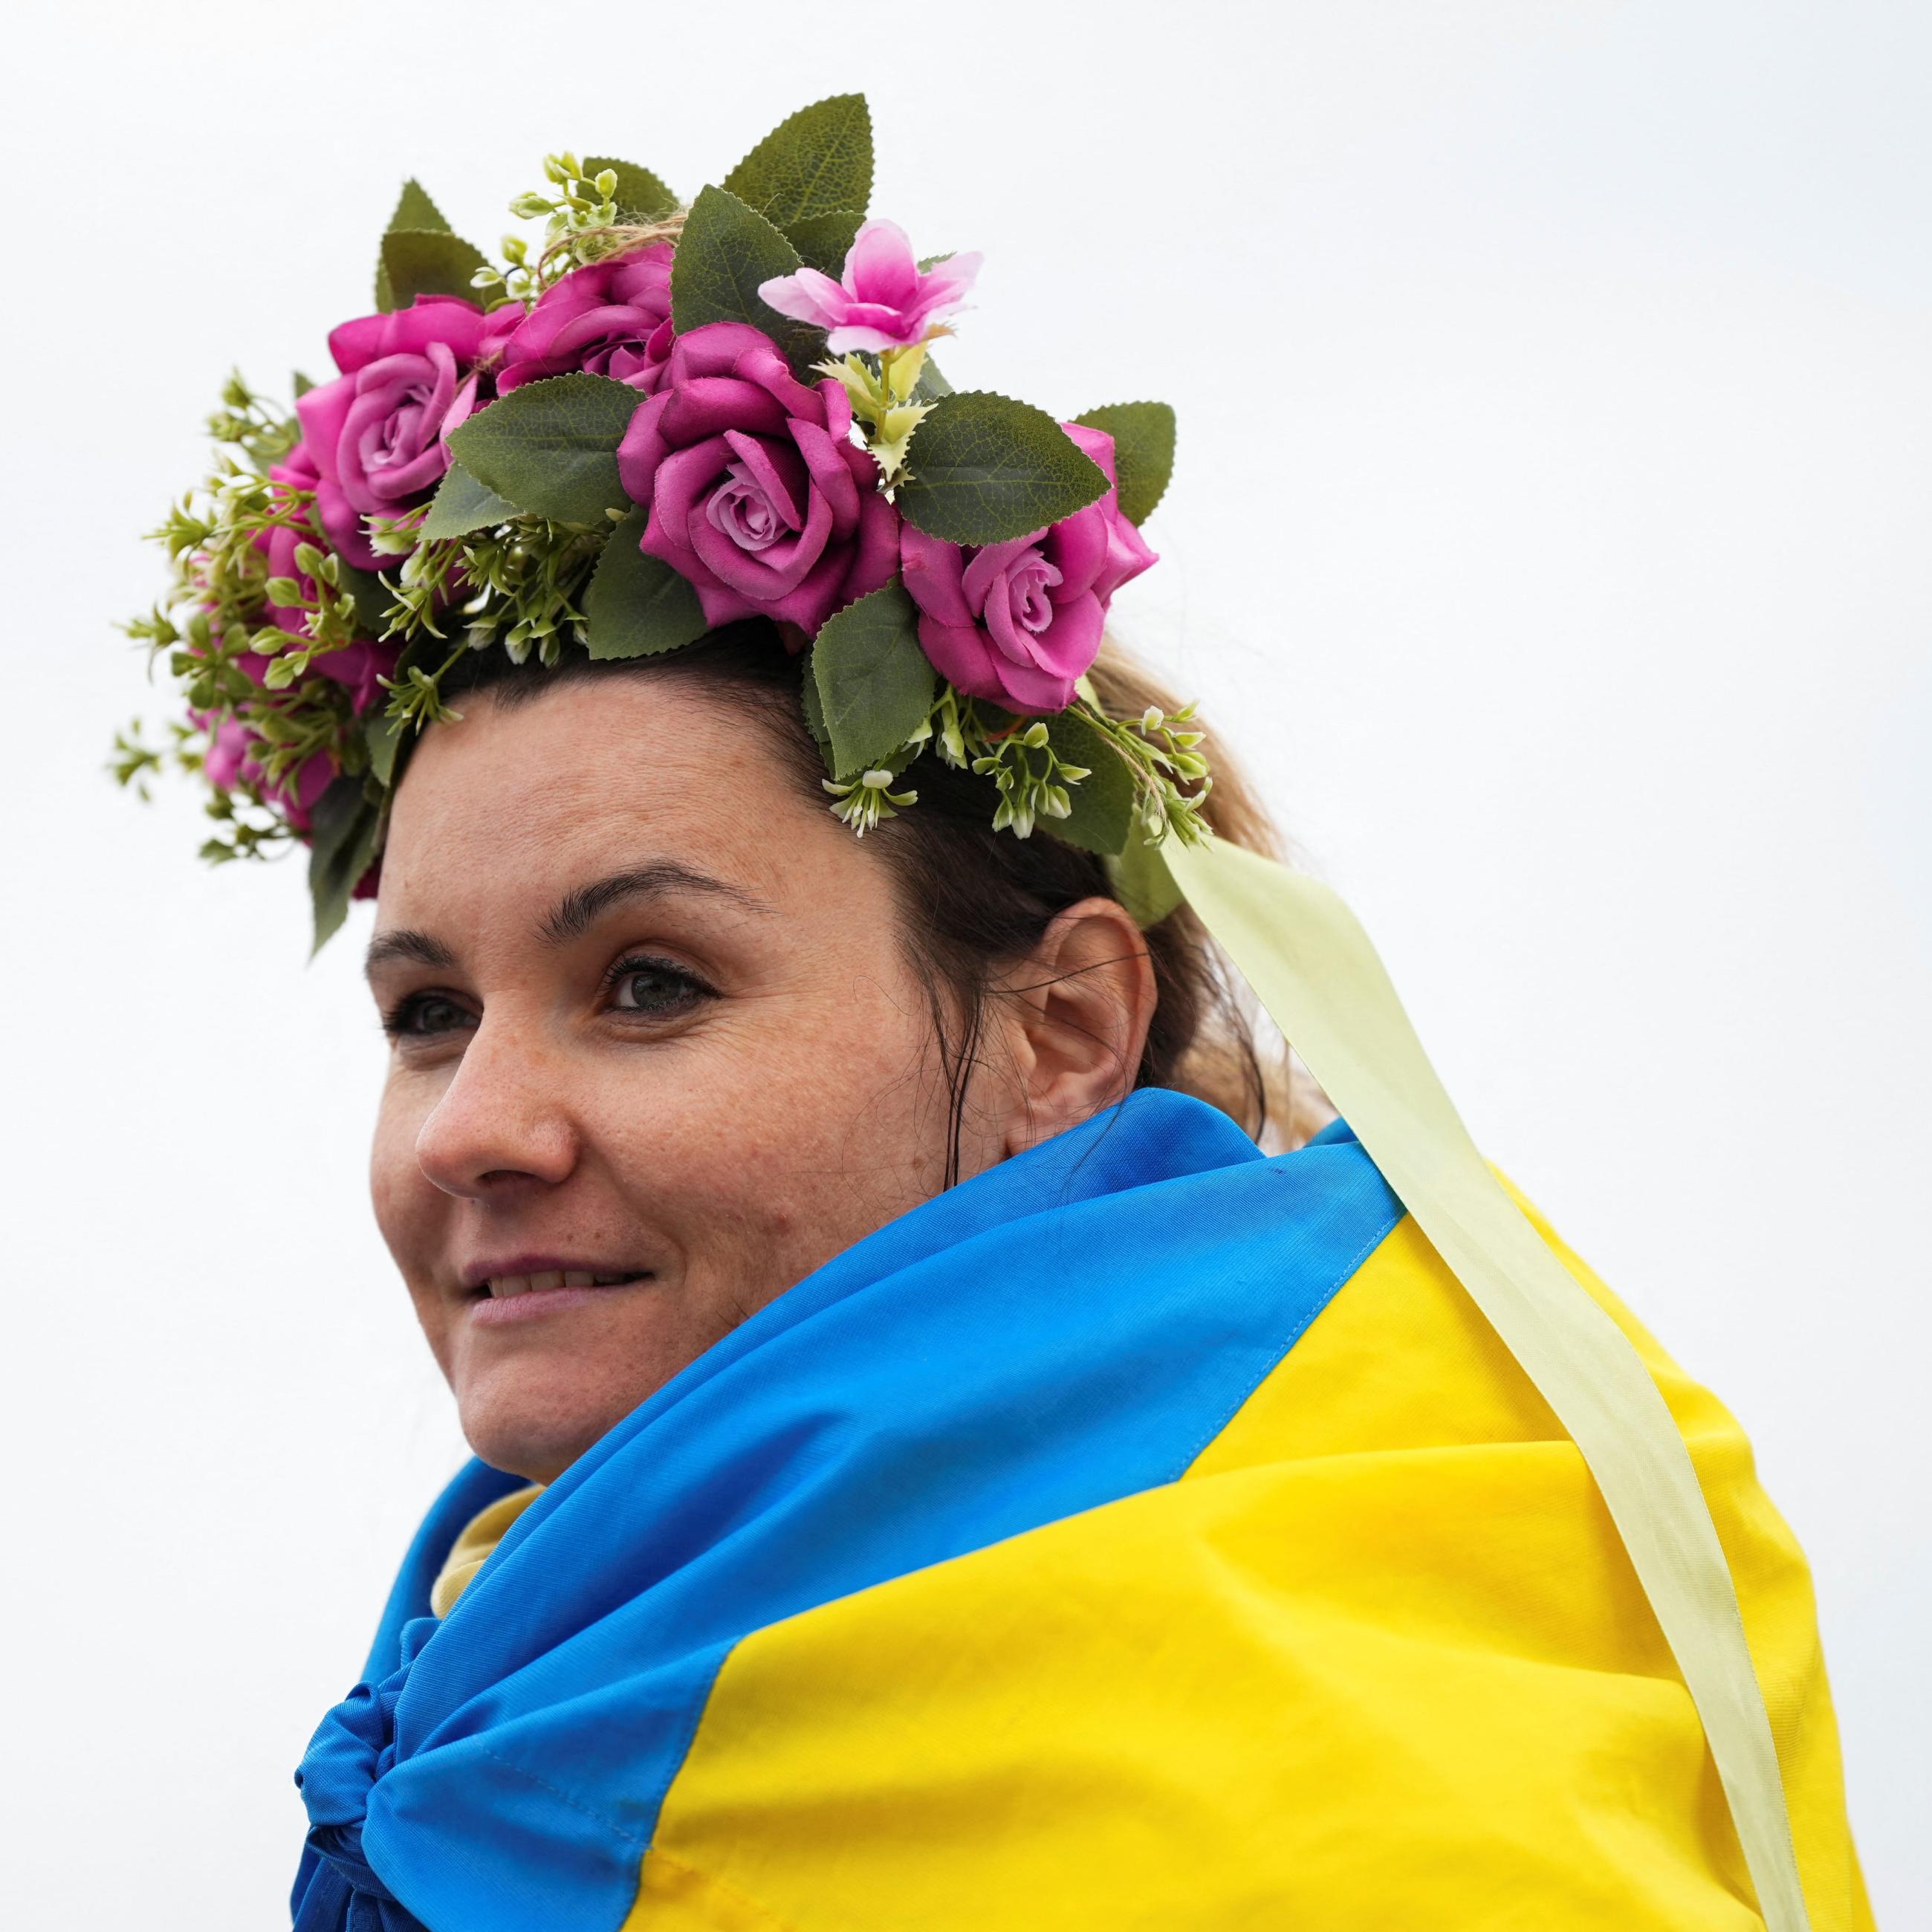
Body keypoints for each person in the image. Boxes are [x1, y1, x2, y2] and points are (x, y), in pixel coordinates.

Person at [118, 97, 1873, 1932]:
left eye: (649, 983)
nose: (477, 1123)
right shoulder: (525, 1679)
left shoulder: (1341, 1811)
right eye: (428, 1011)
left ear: (1061, 1033)